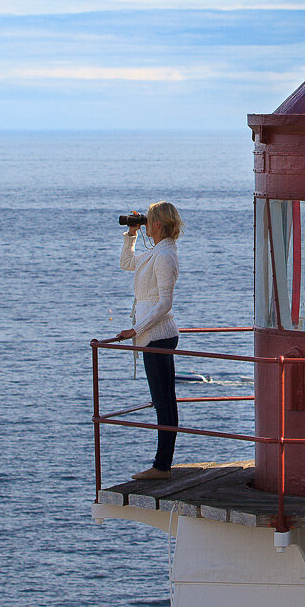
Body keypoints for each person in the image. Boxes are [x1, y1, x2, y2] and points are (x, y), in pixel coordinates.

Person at [117, 200, 182, 481]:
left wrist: (136, 330)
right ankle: (162, 464)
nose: (145, 224)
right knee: (164, 401)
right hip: (152, 337)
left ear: (156, 224)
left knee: (163, 402)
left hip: (158, 336)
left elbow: (164, 304)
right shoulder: (157, 251)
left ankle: (161, 466)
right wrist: (131, 234)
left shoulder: (166, 255)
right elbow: (127, 263)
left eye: (147, 220)